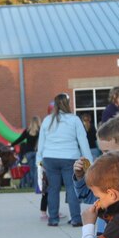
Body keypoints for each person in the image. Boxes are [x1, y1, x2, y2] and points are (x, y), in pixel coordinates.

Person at [36, 93, 93, 227]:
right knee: (71, 188)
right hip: (70, 158)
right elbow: (83, 141)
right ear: (68, 104)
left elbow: (41, 143)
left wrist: (38, 161)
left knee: (53, 189)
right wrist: (89, 161)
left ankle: (53, 218)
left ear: (54, 105)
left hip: (50, 158)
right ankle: (76, 219)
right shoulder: (74, 120)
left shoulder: (47, 120)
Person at [74, 113, 119, 208]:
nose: (103, 157)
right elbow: (86, 196)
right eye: (102, 152)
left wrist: (90, 222)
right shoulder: (109, 174)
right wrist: (81, 177)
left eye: (108, 152)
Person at [12, 116, 41, 188]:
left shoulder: (27, 131)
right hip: (37, 153)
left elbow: (20, 139)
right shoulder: (40, 131)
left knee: (27, 169)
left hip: (27, 154)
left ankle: (26, 184)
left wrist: (12, 144)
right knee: (36, 170)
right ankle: (35, 185)